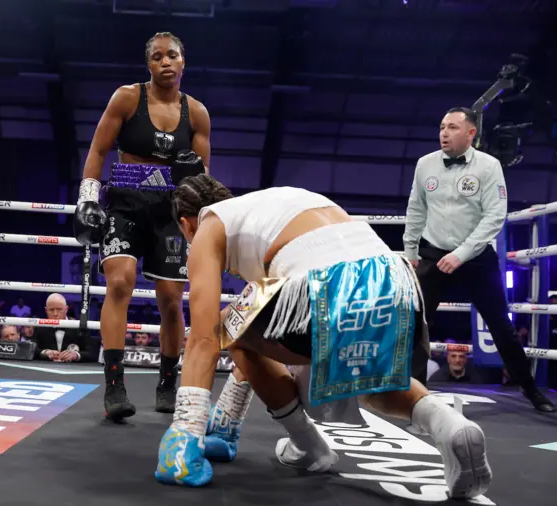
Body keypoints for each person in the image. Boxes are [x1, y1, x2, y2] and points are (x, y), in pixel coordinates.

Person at [153, 174, 492, 500]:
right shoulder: (271, 207)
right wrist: (225, 422)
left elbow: (204, 338)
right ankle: (449, 425)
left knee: (229, 324)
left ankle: (308, 447)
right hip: (395, 279)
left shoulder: (210, 225)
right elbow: (258, 334)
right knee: (371, 386)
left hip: (330, 282)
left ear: (186, 225)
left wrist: (187, 427)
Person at [73, 32, 211, 419]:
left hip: (171, 211)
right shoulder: (127, 98)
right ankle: (114, 385)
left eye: (172, 56)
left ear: (184, 61)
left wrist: (199, 216)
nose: (165, 62)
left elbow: (203, 178)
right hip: (126, 203)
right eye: (157, 57)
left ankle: (168, 382)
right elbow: (99, 149)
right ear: (148, 64)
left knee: (170, 299)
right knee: (119, 283)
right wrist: (87, 198)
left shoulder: (197, 113)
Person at [403, 106, 554, 413]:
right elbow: (416, 208)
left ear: (471, 133)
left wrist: (461, 254)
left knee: (501, 324)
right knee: (416, 324)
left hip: (474, 255)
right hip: (433, 251)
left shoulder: (488, 166)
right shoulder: (425, 164)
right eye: (442, 126)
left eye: (453, 127)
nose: (444, 132)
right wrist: (410, 251)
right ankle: (415, 392)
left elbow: (495, 216)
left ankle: (529, 389)